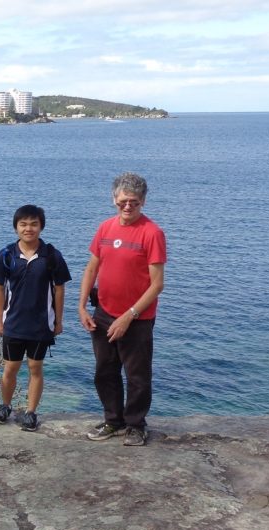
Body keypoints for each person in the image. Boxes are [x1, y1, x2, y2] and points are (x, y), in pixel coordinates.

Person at [77, 172, 167, 447]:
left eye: (135, 202)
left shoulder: (152, 233)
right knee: (105, 370)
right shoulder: (105, 229)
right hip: (103, 312)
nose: (128, 206)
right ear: (114, 199)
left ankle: (136, 425)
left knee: (137, 375)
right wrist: (81, 306)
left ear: (143, 202)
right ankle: (113, 420)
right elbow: (92, 268)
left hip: (137, 319)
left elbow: (157, 284)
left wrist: (129, 316)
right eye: (123, 201)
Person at [0, 205, 71, 432]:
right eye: (23, 224)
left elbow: (59, 289)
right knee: (10, 368)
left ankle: (30, 412)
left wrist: (58, 321)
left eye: (34, 224)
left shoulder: (52, 256)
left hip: (40, 324)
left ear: (41, 226)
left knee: (36, 367)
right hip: (13, 323)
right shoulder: (6, 255)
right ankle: (5, 406)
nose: (28, 229)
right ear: (16, 227)